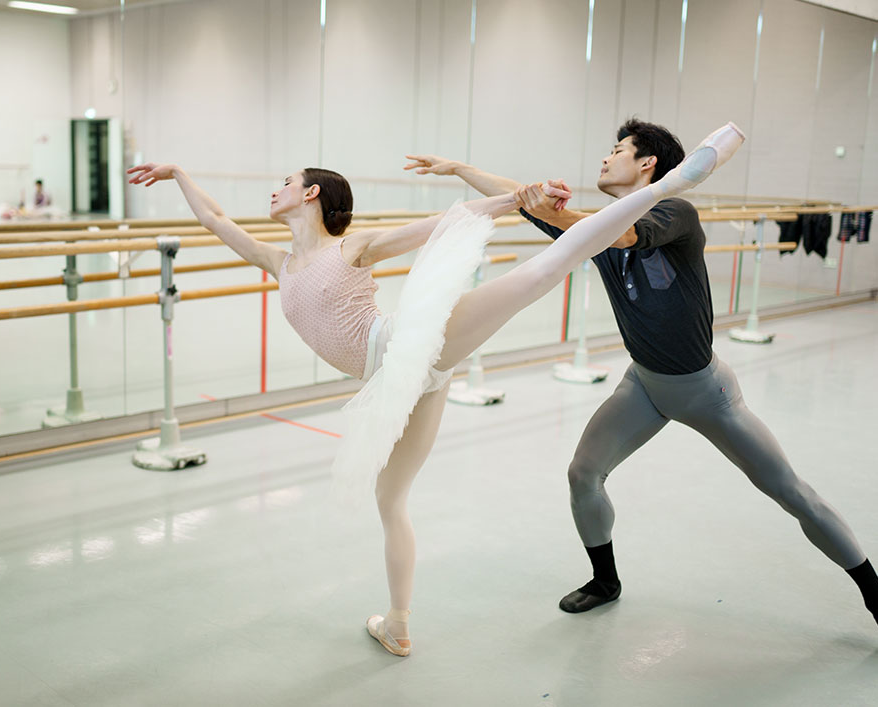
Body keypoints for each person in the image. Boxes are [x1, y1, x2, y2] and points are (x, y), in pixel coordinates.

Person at [127, 122, 743, 656]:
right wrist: (179, 171)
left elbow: (444, 222)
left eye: (285, 181)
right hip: (400, 382)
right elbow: (213, 219)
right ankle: (397, 625)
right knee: (389, 501)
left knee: (541, 270)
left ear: (310, 194)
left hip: (411, 344)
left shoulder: (353, 248)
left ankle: (669, 184)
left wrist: (518, 199)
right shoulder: (276, 260)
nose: (274, 189)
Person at [405, 118, 878, 628]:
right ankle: (605, 580)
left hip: (707, 393)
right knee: (583, 473)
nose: (605, 159)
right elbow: (519, 198)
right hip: (644, 386)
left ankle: (875, 595)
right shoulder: (592, 229)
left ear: (647, 163)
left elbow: (625, 232)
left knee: (792, 493)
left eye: (617, 150)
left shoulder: (674, 211)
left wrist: (552, 209)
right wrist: (462, 170)